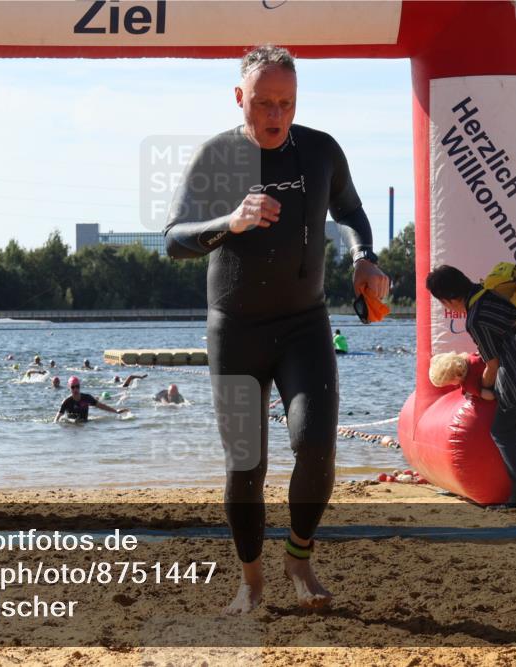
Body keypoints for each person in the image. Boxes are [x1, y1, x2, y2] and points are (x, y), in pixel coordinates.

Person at [164, 45, 389, 614]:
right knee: (246, 465)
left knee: (315, 447)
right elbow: (172, 240)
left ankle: (298, 555)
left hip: (303, 326)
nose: (274, 115)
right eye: (263, 102)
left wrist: (365, 256)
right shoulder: (217, 158)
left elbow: (353, 211)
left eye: (285, 103)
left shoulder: (319, 150)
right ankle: (251, 580)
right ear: (240, 97)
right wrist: (230, 221)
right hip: (235, 328)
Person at [425, 265, 516, 507]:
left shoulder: (475, 317)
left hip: (515, 370)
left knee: (502, 432)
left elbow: (493, 363)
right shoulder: (489, 294)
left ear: (447, 300)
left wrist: (480, 388)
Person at [54, 376, 128, 422]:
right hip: (72, 425)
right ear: (69, 388)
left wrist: (116, 411)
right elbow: (58, 417)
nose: (75, 389)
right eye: (73, 387)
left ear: (79, 386)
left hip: (85, 424)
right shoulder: (67, 402)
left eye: (77, 386)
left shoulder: (86, 398)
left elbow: (101, 405)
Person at [428, 351, 495, 401]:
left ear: (455, 377)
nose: (452, 385)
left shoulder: (468, 385)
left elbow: (490, 396)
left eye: (450, 383)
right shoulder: (471, 357)